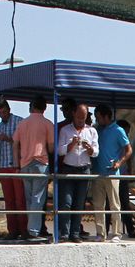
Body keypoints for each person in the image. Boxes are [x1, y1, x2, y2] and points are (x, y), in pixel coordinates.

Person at [54, 103, 98, 242]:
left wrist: (90, 149)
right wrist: (71, 145)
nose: (81, 120)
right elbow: (59, 151)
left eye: (83, 118)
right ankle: (64, 234)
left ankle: (75, 233)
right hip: (69, 168)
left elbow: (96, 152)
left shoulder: (91, 131)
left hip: (84, 169)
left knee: (79, 203)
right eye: (79, 117)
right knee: (66, 202)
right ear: (73, 114)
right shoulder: (65, 131)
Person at [13, 96, 55, 241]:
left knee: (29, 197)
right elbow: (51, 146)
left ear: (31, 106)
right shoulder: (47, 124)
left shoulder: (22, 123)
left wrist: (16, 164)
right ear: (45, 108)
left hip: (24, 163)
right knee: (38, 197)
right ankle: (33, 230)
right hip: (40, 162)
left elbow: (15, 143)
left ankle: (31, 228)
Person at [91, 105, 132, 242]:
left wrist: (120, 163)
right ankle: (100, 233)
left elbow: (128, 150)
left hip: (112, 173)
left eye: (98, 117)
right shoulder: (97, 130)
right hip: (97, 173)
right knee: (98, 204)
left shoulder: (118, 130)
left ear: (106, 116)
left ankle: (116, 233)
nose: (97, 120)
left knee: (115, 204)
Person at [0, 98, 26, 240]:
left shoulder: (19, 122)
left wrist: (9, 139)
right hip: (4, 166)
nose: (2, 115)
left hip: (16, 166)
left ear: (9, 110)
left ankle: (24, 230)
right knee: (9, 201)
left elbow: (24, 143)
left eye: (4, 112)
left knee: (20, 199)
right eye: (0, 113)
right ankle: (12, 230)